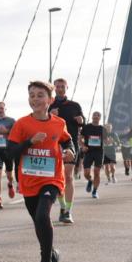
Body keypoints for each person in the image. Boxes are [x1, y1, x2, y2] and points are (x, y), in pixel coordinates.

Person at [7, 80, 76, 262]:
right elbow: (10, 152)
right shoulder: (21, 124)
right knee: (39, 223)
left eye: (40, 95)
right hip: (29, 181)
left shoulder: (58, 123)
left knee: (42, 215)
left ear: (50, 100)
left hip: (52, 179)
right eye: (32, 95)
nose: (35, 99)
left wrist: (70, 150)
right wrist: (29, 142)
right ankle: (53, 254)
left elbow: (66, 140)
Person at [48, 78, 84, 224]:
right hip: (54, 144)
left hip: (70, 143)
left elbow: (83, 122)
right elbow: (41, 121)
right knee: (58, 177)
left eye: (63, 86)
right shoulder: (49, 104)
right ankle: (62, 207)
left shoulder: (74, 105)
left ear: (67, 88)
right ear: (54, 88)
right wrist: (51, 114)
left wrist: (81, 120)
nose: (60, 88)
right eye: (57, 86)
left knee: (68, 176)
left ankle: (68, 211)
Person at [80, 111, 105, 198]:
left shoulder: (103, 129)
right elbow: (80, 138)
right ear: (92, 117)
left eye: (98, 115)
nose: (96, 117)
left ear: (100, 118)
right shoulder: (86, 127)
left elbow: (107, 140)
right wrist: (83, 146)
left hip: (99, 152)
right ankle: (90, 181)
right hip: (88, 151)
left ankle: (94, 191)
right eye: (94, 115)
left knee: (97, 172)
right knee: (86, 173)